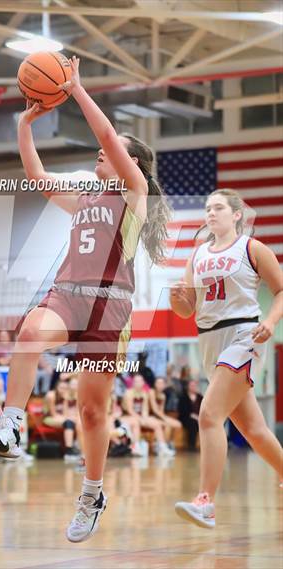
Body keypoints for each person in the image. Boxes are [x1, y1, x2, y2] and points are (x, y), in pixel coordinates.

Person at [0, 56, 171, 542]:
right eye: (103, 151)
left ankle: (91, 493)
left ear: (131, 163)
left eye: (113, 151)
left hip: (110, 307)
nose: (101, 152)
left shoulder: (134, 194)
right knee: (29, 332)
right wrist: (24, 125)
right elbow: (37, 177)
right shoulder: (85, 197)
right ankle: (11, 426)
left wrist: (77, 89)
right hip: (67, 295)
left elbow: (105, 134)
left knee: (91, 411)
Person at [170, 188, 283, 529]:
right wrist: (177, 298)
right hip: (209, 340)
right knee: (254, 430)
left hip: (244, 334)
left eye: (218, 207)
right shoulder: (197, 255)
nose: (211, 213)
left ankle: (205, 502)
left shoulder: (251, 248)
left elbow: (280, 290)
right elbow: (187, 310)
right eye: (208, 208)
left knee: (209, 415)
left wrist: (271, 321)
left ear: (236, 215)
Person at [122, 373, 174, 457]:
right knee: (136, 422)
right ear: (133, 383)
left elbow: (144, 410)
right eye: (136, 381)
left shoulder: (144, 394)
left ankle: (162, 447)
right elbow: (130, 410)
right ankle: (135, 447)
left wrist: (145, 418)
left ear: (143, 383)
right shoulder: (129, 393)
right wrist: (140, 419)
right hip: (127, 416)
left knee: (156, 423)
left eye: (140, 381)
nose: (138, 383)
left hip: (139, 417)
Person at [149, 376, 182, 452]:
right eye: (158, 383)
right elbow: (155, 410)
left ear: (164, 385)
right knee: (167, 424)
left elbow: (161, 411)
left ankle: (169, 442)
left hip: (158, 416)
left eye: (162, 383)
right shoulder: (151, 392)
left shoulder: (163, 396)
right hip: (150, 415)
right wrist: (165, 419)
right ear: (155, 384)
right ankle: (162, 446)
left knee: (178, 424)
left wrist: (164, 418)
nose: (160, 385)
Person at [178, 380, 203, 450]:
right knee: (193, 423)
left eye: (194, 386)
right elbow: (182, 410)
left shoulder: (200, 397)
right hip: (186, 417)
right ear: (188, 386)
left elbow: (203, 409)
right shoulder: (183, 397)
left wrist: (199, 417)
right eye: (191, 385)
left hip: (198, 417)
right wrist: (193, 416)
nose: (193, 387)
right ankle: (191, 445)